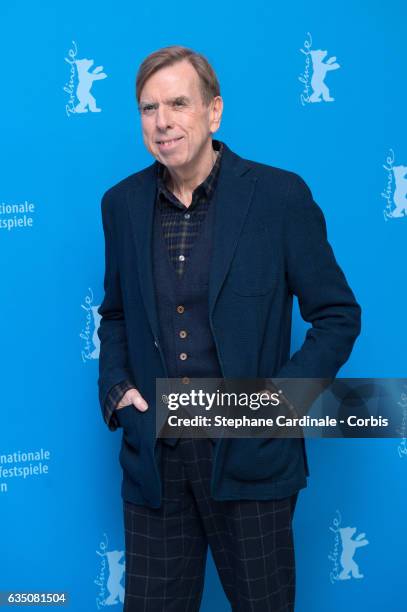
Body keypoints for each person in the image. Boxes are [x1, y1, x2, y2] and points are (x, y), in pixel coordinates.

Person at [97, 45, 362, 611]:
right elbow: (115, 313)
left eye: (177, 104)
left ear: (213, 112)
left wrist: (278, 406)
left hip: (252, 456)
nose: (162, 121)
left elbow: (338, 315)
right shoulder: (120, 204)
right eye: (148, 108)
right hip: (156, 457)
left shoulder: (278, 196)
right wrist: (119, 390)